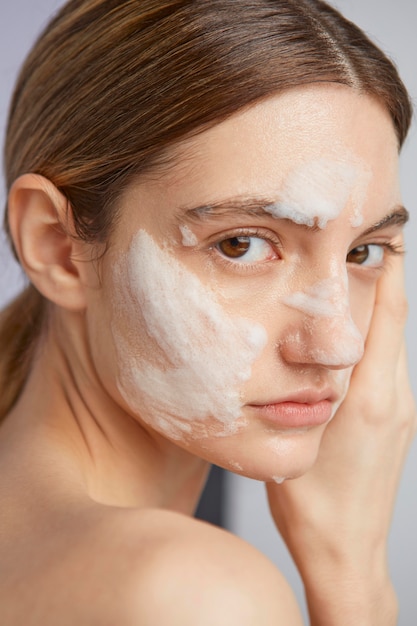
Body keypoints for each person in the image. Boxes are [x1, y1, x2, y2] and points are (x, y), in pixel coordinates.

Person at [0, 0, 415, 623]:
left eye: (364, 251)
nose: (338, 344)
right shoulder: (191, 594)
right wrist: (350, 570)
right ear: (58, 248)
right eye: (241, 244)